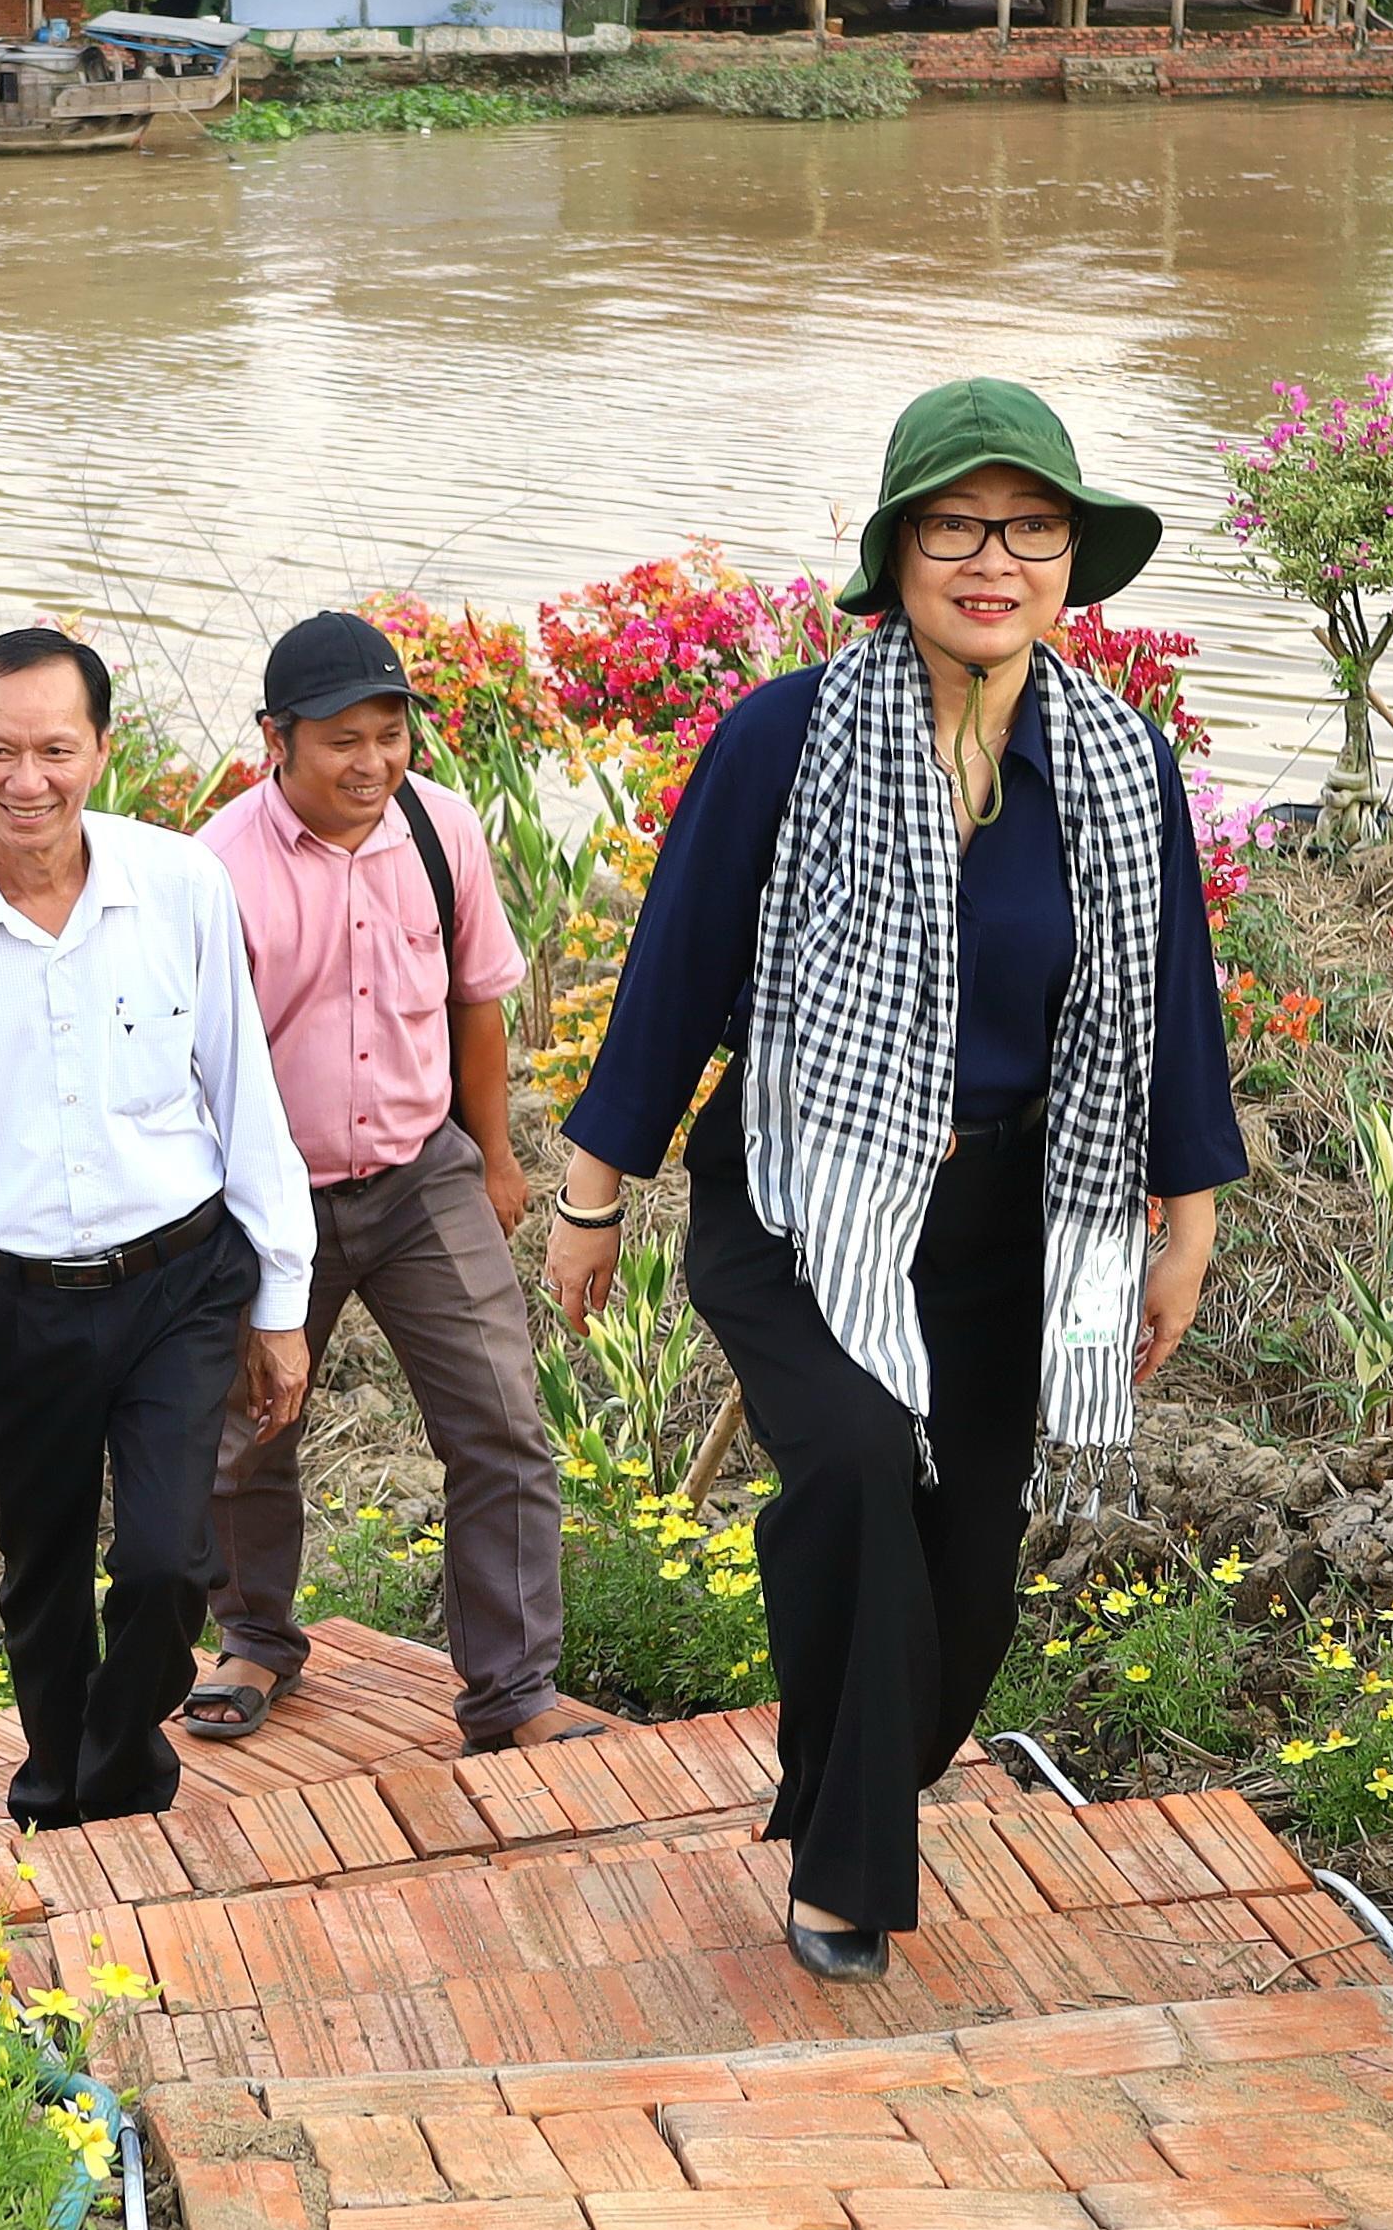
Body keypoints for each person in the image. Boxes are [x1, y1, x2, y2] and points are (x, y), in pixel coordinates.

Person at [548, 382, 1243, 1984]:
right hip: (804, 1200)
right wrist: (593, 1198)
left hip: (1017, 1224)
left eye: (1029, 530)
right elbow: (674, 979)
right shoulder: (783, 737)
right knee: (856, 1470)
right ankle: (849, 1873)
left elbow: (1171, 1011)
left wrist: (1182, 1220)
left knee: (966, 1588)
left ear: (1073, 560)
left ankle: (837, 1770)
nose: (991, 560)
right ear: (896, 549)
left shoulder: (1122, 770)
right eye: (956, 525)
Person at [0, 626, 314, 1832]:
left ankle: (103, 1774)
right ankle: (70, 1805)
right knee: (42, 1580)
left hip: (179, 1279)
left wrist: (280, 1299)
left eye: (55, 748)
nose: (27, 779)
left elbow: (242, 1089)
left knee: (167, 1563)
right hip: (10, 1300)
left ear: (100, 750)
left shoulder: (179, 886)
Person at [192, 611, 604, 1758]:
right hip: (270, 1198)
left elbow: (476, 997)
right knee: (247, 1430)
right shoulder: (214, 867)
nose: (371, 763)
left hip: (424, 1172)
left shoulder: (440, 828)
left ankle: (511, 1689)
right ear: (274, 739)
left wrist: (498, 1153)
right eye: (340, 740)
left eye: (390, 734)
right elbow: (192, 1063)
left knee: (502, 1424)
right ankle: (253, 1638)